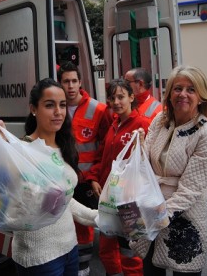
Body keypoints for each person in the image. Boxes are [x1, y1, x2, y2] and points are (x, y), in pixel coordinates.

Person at [131, 65, 207, 275]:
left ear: (201, 97)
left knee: (184, 269)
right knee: (149, 268)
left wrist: (159, 216)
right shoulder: (160, 120)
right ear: (169, 94)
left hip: (185, 219)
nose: (183, 94)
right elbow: (144, 164)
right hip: (150, 208)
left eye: (191, 89)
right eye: (177, 88)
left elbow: (190, 190)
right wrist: (138, 147)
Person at [12, 78, 98, 276]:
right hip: (38, 258)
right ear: (33, 109)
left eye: (62, 105)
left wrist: (100, 217)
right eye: (50, 105)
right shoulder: (21, 151)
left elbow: (65, 202)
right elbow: (12, 208)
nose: (58, 112)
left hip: (70, 249)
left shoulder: (64, 148)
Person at [87, 79, 150, 276]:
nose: (116, 102)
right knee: (106, 249)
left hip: (131, 202)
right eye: (112, 97)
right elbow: (103, 157)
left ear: (132, 97)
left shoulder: (143, 125)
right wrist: (94, 177)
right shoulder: (114, 124)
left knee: (132, 252)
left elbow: (148, 163)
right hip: (109, 198)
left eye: (121, 97)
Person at [57, 61, 112, 276]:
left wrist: (95, 176)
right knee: (63, 221)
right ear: (60, 83)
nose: (70, 86)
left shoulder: (99, 109)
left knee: (84, 225)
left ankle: (83, 268)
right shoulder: (55, 106)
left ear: (80, 82)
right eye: (65, 81)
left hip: (86, 180)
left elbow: (105, 148)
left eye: (73, 81)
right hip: (61, 178)